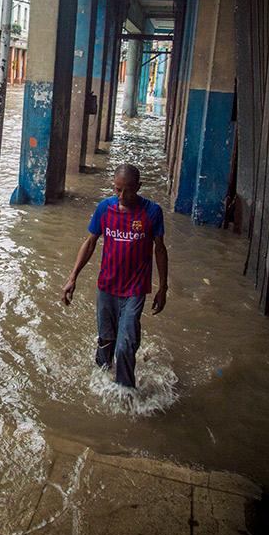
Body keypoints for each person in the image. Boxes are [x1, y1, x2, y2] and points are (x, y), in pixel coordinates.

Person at [61, 163, 168, 389]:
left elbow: (160, 249)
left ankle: (125, 392)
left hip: (135, 289)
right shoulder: (105, 209)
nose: (121, 195)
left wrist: (163, 287)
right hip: (107, 286)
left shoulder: (152, 212)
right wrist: (73, 277)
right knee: (106, 340)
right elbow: (90, 243)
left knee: (126, 345)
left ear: (138, 187)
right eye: (117, 189)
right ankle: (101, 380)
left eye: (127, 190)